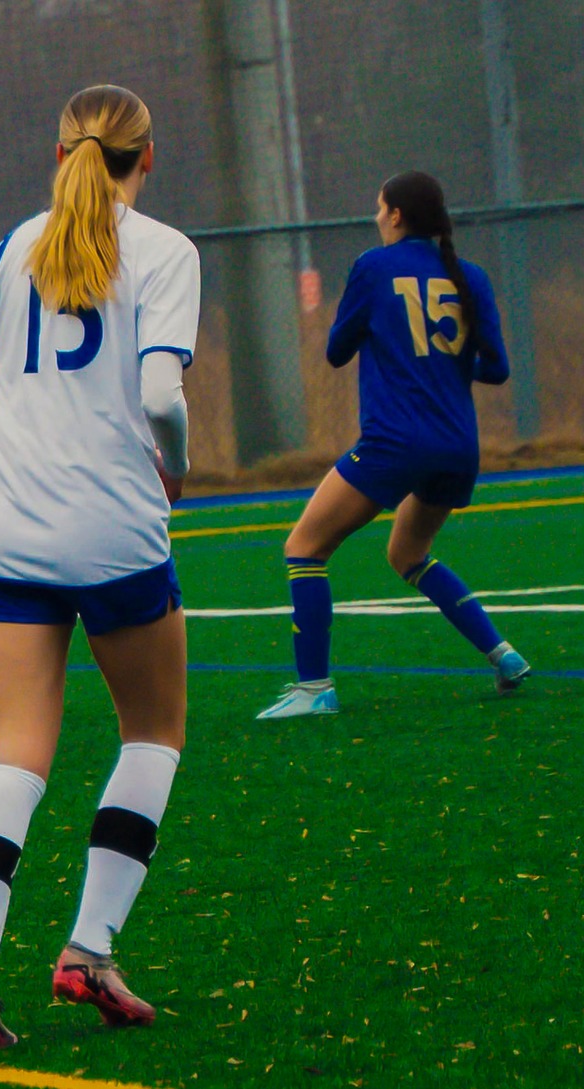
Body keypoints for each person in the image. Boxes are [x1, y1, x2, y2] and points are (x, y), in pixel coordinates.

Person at [0, 85, 197, 1050]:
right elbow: (162, 393)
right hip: (115, 530)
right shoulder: (167, 251)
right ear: (147, 158)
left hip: (11, 532)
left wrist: (36, 419)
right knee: (153, 733)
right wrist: (176, 456)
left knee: (17, 754)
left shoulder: (15, 246)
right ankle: (88, 947)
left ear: (59, 154)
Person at [256, 172, 528, 719]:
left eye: (380, 209)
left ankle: (314, 690)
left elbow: (336, 351)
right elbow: (496, 368)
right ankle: (504, 655)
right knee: (408, 554)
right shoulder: (470, 276)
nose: (376, 218)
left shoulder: (373, 267)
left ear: (396, 215)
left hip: (396, 441)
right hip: (458, 446)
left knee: (304, 548)